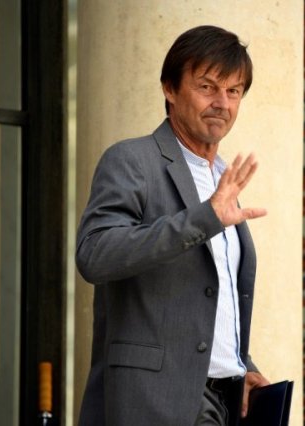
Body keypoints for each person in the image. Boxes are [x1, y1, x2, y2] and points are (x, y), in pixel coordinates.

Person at [76, 25, 270, 426]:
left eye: (233, 91)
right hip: (153, 401)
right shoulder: (132, 160)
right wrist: (205, 217)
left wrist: (239, 364)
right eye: (207, 87)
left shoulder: (223, 177)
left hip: (226, 400)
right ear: (170, 89)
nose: (222, 103)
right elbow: (94, 255)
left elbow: (210, 296)